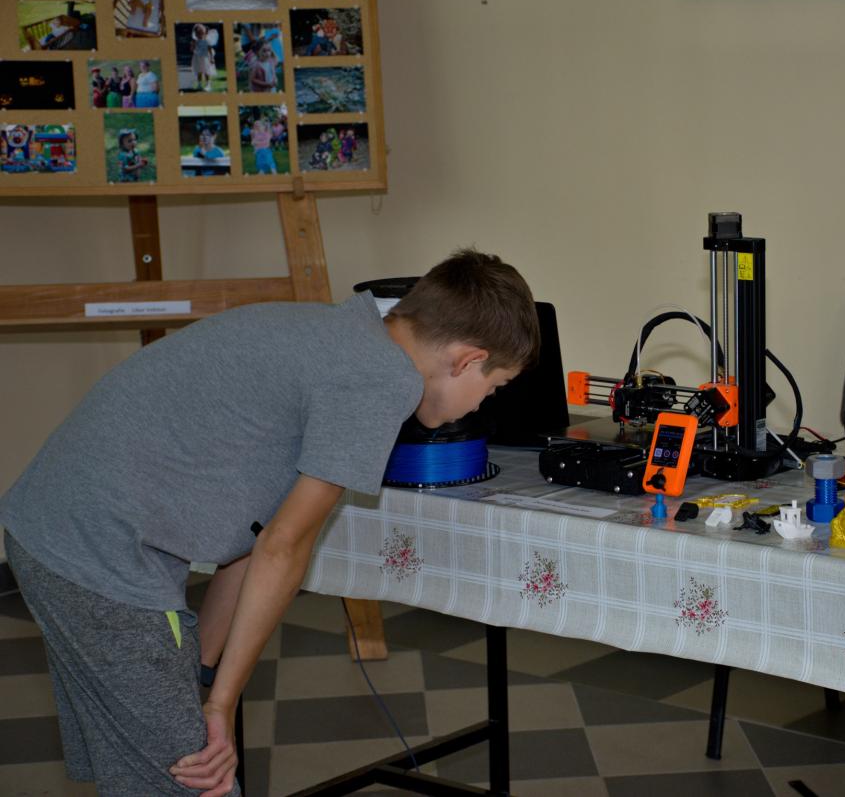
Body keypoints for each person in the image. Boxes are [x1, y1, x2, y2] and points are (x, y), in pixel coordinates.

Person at [0, 249, 538, 796]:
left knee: (149, 778)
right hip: (101, 558)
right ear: (468, 360)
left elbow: (255, 536)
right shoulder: (380, 379)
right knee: (198, 782)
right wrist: (220, 705)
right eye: (493, 387)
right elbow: (284, 548)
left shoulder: (332, 333)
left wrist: (202, 676)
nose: (481, 404)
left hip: (53, 529)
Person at [190, 24, 216, 91]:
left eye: (201, 33)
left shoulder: (207, 40)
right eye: (198, 34)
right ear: (195, 34)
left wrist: (212, 58)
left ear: (204, 33)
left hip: (206, 58)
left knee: (206, 71)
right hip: (197, 58)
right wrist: (193, 45)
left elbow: (210, 50)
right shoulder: (195, 41)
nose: (200, 35)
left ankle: (208, 85)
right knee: (199, 71)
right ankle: (199, 84)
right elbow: (192, 50)